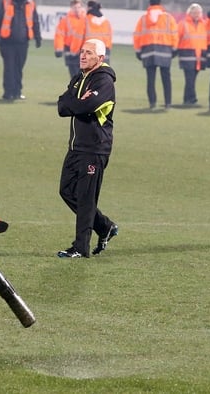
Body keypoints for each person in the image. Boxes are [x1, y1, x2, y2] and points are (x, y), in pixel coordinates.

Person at [56, 39, 118, 259]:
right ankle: (104, 226)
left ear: (100, 58)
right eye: (82, 52)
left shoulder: (104, 82)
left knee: (85, 198)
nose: (82, 56)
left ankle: (81, 248)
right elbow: (62, 106)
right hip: (76, 147)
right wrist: (75, 102)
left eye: (89, 53)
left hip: (94, 149)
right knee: (66, 191)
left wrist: (75, 103)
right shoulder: (79, 78)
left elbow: (86, 106)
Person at [0, 0, 41, 101]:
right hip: (7, 42)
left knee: (19, 68)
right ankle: (8, 92)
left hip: (23, 42)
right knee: (9, 67)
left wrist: (38, 37)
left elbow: (35, 21)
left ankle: (17, 92)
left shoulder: (30, 4)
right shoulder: (5, 2)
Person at [133, 0, 178, 109]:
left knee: (150, 78)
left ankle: (152, 103)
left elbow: (137, 35)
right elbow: (174, 34)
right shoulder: (168, 18)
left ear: (149, 4)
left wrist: (138, 50)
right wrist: (174, 48)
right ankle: (168, 103)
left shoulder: (143, 18)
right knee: (166, 78)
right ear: (160, 4)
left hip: (148, 50)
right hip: (165, 49)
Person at [176, 3, 207, 106]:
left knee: (192, 79)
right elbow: (177, 38)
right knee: (190, 78)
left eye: (198, 12)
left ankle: (187, 99)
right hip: (187, 54)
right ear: (190, 13)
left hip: (199, 56)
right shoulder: (183, 24)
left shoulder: (204, 24)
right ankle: (192, 99)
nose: (197, 14)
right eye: (194, 12)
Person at [54, 0, 85, 78]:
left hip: (83, 49)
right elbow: (59, 35)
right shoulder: (66, 20)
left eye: (79, 7)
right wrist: (59, 48)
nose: (77, 10)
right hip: (70, 51)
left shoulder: (85, 19)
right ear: (71, 8)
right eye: (75, 8)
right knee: (74, 76)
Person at [77, 0, 113, 64]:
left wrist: (76, 50)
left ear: (89, 8)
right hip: (104, 50)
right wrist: (108, 50)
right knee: (103, 72)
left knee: (89, 72)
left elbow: (79, 37)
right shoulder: (106, 21)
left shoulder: (86, 19)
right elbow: (110, 37)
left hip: (89, 49)